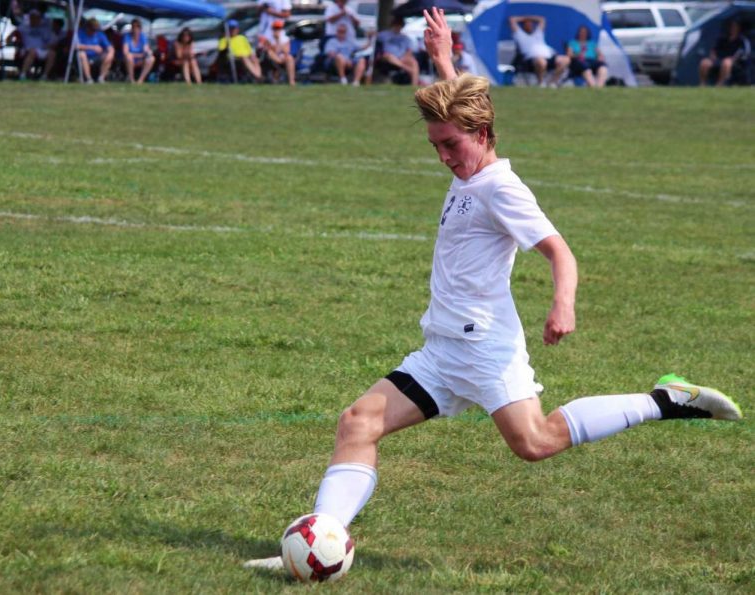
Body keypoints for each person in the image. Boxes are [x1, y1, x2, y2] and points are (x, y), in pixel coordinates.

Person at [243, 6, 743, 572]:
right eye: (435, 146)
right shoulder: (469, 166)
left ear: (482, 136)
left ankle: (664, 400)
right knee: (358, 422)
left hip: (486, 348)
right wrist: (441, 58)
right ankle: (316, 543)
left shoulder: (501, 188)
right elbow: (457, 109)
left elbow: (561, 252)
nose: (443, 156)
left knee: (534, 443)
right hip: (441, 349)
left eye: (451, 145)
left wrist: (563, 302)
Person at [508, 14, 569, 87]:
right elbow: (512, 20)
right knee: (542, 62)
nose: (529, 25)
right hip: (532, 59)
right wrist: (525, 18)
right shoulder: (519, 34)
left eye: (531, 24)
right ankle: (541, 83)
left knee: (566, 60)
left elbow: (542, 20)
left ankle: (552, 83)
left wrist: (529, 18)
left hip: (549, 57)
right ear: (523, 25)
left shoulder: (538, 33)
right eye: (527, 24)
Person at [699, 20, 751, 86]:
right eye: (731, 26)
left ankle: (720, 84)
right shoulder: (723, 39)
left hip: (734, 62)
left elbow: (743, 54)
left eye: (734, 26)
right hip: (718, 60)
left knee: (726, 62)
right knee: (704, 62)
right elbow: (714, 50)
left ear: (738, 28)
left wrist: (733, 59)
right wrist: (713, 56)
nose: (732, 28)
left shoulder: (742, 41)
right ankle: (702, 84)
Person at [8, 9, 52, 81]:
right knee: (33, 51)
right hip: (27, 49)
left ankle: (44, 76)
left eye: (37, 18)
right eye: (33, 17)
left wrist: (48, 46)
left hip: (41, 50)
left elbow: (49, 41)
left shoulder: (44, 29)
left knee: (52, 53)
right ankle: (23, 75)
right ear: (30, 18)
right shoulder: (24, 27)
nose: (35, 20)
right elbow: (13, 34)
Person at [376, 15, 419, 85]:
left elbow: (409, 51)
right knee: (388, 56)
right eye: (396, 25)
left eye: (400, 25)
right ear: (392, 25)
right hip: (387, 57)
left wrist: (405, 57)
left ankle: (414, 84)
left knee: (413, 62)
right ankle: (408, 69)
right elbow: (374, 38)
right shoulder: (383, 35)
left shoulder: (405, 38)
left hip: (401, 57)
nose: (398, 27)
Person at [76, 18, 114, 83]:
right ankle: (89, 79)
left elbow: (110, 47)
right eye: (93, 29)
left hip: (97, 57)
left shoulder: (100, 34)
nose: (94, 31)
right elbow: (76, 46)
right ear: (87, 27)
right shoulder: (80, 33)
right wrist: (92, 47)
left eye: (95, 29)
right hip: (85, 56)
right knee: (82, 54)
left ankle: (101, 78)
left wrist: (111, 53)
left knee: (109, 55)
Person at [262, 20, 296, 85]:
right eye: (275, 28)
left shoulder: (285, 38)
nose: (277, 30)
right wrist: (275, 41)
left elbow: (286, 51)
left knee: (290, 58)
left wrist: (278, 40)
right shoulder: (268, 38)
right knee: (270, 52)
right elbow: (270, 50)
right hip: (273, 58)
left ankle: (291, 81)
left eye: (278, 28)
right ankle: (279, 65)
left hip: (283, 57)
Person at [122, 18, 155, 84]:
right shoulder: (127, 37)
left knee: (151, 58)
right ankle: (132, 79)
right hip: (129, 60)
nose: (136, 29)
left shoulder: (143, 37)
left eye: (138, 26)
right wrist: (139, 55)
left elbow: (146, 50)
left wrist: (147, 52)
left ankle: (140, 80)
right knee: (129, 57)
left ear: (140, 28)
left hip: (140, 60)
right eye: (134, 26)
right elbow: (125, 52)